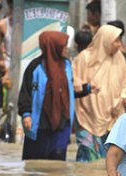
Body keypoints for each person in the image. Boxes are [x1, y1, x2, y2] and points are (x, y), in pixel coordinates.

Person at [18, 31, 93, 160]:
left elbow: (66, 91)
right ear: (52, 46)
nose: (66, 49)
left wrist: (86, 89)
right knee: (35, 162)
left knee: (57, 162)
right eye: (63, 46)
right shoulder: (35, 67)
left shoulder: (66, 65)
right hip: (40, 120)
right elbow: (26, 92)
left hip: (62, 120)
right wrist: (26, 114)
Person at [72, 24, 126, 162]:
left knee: (110, 160)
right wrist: (89, 90)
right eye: (115, 41)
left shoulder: (119, 58)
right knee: (87, 159)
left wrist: (121, 99)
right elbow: (76, 84)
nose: (119, 45)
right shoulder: (84, 58)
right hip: (87, 116)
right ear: (105, 40)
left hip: (113, 117)